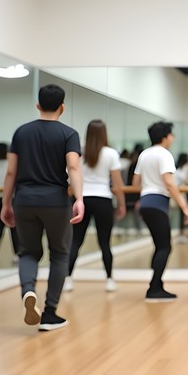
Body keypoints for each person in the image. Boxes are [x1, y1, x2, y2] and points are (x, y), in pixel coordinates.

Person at [1, 84, 84, 332]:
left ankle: (28, 291)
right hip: (56, 201)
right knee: (60, 254)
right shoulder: (69, 134)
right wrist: (79, 198)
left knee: (28, 252)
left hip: (24, 199)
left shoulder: (21, 133)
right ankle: (49, 313)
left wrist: (6, 202)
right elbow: (73, 167)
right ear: (62, 107)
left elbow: (11, 171)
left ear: (38, 105)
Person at [66, 120, 126, 293]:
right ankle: (109, 280)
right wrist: (121, 204)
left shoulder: (79, 153)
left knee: (75, 241)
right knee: (105, 243)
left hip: (81, 199)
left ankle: (68, 279)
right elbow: (117, 184)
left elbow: (72, 179)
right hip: (103, 200)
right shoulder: (111, 154)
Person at [133, 121, 188, 300]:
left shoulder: (145, 154)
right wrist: (184, 207)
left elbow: (136, 183)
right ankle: (154, 288)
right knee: (165, 246)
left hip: (146, 202)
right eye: (171, 134)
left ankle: (157, 285)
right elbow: (169, 183)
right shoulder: (164, 154)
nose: (173, 138)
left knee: (160, 245)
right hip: (158, 203)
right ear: (165, 137)